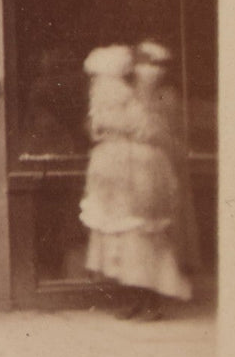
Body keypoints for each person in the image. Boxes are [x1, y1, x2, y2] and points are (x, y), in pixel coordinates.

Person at [79, 41, 193, 320]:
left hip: (139, 173)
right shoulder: (112, 104)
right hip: (117, 175)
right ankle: (136, 298)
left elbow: (155, 133)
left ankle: (151, 301)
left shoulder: (143, 102)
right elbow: (96, 130)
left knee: (143, 236)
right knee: (124, 237)